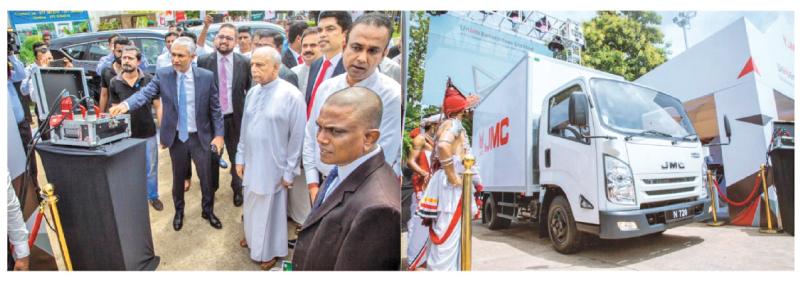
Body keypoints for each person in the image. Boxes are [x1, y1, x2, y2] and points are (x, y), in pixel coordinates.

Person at [109, 36, 225, 231]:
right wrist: (125, 104)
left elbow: (215, 109)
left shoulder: (205, 77)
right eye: (173, 55)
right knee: (178, 178)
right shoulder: (163, 75)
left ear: (193, 56)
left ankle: (208, 210)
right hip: (177, 138)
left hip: (200, 137)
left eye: (181, 56)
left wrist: (219, 135)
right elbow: (145, 94)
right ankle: (179, 211)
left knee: (206, 178)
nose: (175, 59)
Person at [292, 86, 400, 270]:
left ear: (369, 138)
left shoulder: (379, 209)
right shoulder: (345, 164)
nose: (321, 138)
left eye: (335, 132)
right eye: (320, 127)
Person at [304, 12, 402, 204]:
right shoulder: (327, 87)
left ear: (384, 54)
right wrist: (313, 184)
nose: (362, 58)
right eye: (356, 47)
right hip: (322, 186)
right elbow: (310, 137)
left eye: (373, 51)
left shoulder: (391, 96)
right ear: (344, 45)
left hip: (360, 194)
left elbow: (383, 156)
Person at [235, 47, 305, 270]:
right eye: (252, 65)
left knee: (270, 210)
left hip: (275, 165)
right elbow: (245, 128)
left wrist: (289, 170)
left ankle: (269, 250)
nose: (254, 70)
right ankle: (254, 239)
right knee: (251, 202)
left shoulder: (291, 95)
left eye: (260, 65)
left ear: (276, 67)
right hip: (252, 161)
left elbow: (297, 136)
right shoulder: (253, 92)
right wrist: (240, 157)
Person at [416, 80, 479, 271]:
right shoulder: (455, 125)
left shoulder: (445, 123)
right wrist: (453, 177)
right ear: (463, 110)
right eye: (468, 107)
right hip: (450, 186)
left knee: (446, 230)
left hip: (446, 183)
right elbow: (444, 146)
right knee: (448, 234)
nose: (470, 111)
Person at [198, 23, 252, 207]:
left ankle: (237, 189)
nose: (224, 41)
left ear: (236, 42)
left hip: (235, 120)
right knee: (211, 158)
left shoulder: (244, 63)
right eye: (221, 36)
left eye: (229, 38)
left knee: (238, 155)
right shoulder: (203, 61)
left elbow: (251, 92)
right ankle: (211, 190)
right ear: (216, 38)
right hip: (212, 122)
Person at [108, 46, 164, 211]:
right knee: (129, 169)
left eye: (130, 58)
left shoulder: (149, 79)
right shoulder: (114, 82)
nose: (126, 61)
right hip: (126, 136)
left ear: (138, 61)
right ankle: (134, 198)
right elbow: (115, 109)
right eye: (124, 58)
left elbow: (158, 106)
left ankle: (153, 197)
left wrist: (163, 131)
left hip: (148, 132)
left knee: (151, 168)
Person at [405, 113, 441, 270]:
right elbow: (410, 161)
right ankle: (414, 261)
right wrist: (424, 173)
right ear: (432, 125)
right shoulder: (420, 139)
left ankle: (425, 258)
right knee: (419, 225)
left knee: (430, 224)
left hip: (432, 188)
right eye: (438, 125)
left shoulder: (434, 141)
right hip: (422, 187)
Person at [304, 11, 351, 118]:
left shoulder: (351, 69)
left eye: (330, 29)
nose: (322, 34)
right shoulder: (315, 64)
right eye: (319, 30)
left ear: (345, 34)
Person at [99, 37, 134, 112]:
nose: (122, 55)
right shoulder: (106, 71)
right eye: (119, 51)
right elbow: (104, 95)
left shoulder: (133, 70)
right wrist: (101, 114)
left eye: (124, 51)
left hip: (131, 113)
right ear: (113, 51)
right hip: (113, 113)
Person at [290, 27, 321, 97]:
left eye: (313, 45)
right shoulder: (294, 73)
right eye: (304, 46)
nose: (308, 49)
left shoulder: (327, 72)